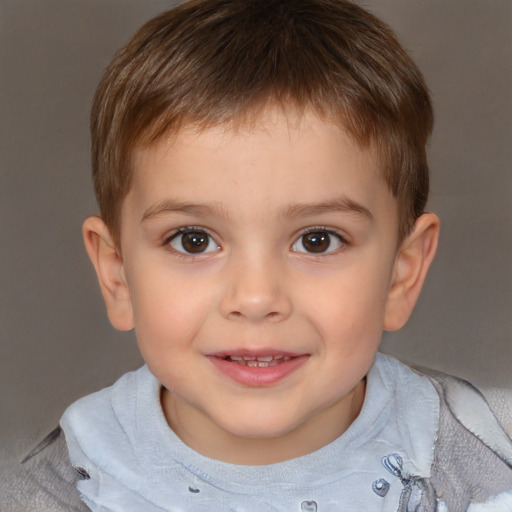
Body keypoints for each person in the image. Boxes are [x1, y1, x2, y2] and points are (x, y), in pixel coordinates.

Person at [7, 0, 512, 510]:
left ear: (401, 275)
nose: (254, 298)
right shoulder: (67, 489)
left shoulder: (482, 459)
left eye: (317, 240)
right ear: (117, 275)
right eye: (193, 240)